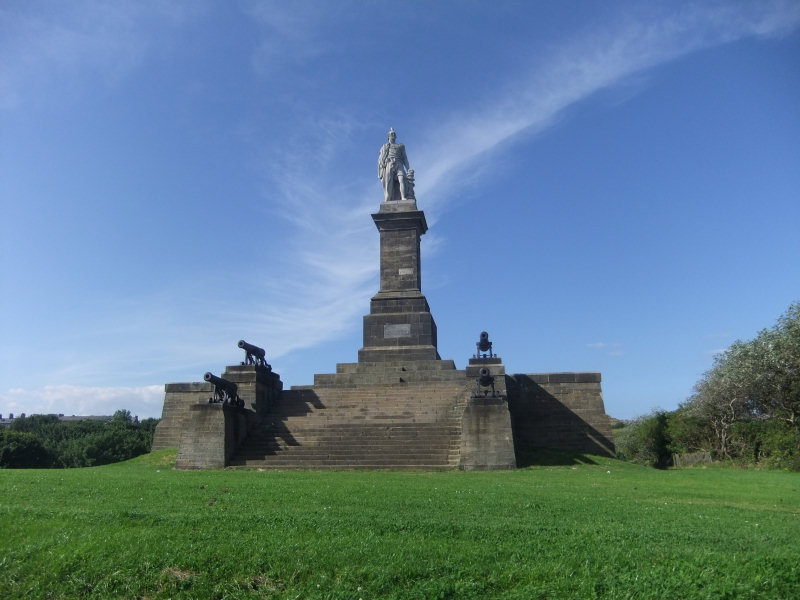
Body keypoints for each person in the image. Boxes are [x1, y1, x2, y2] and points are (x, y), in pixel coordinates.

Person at [377, 128, 410, 201]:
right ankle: (388, 197)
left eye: (394, 134)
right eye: (391, 134)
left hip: (398, 163)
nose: (393, 135)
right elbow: (381, 158)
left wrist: (408, 169)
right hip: (389, 163)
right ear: (388, 136)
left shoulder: (400, 146)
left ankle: (403, 197)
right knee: (389, 181)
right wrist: (382, 164)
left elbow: (405, 158)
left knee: (401, 179)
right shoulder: (385, 146)